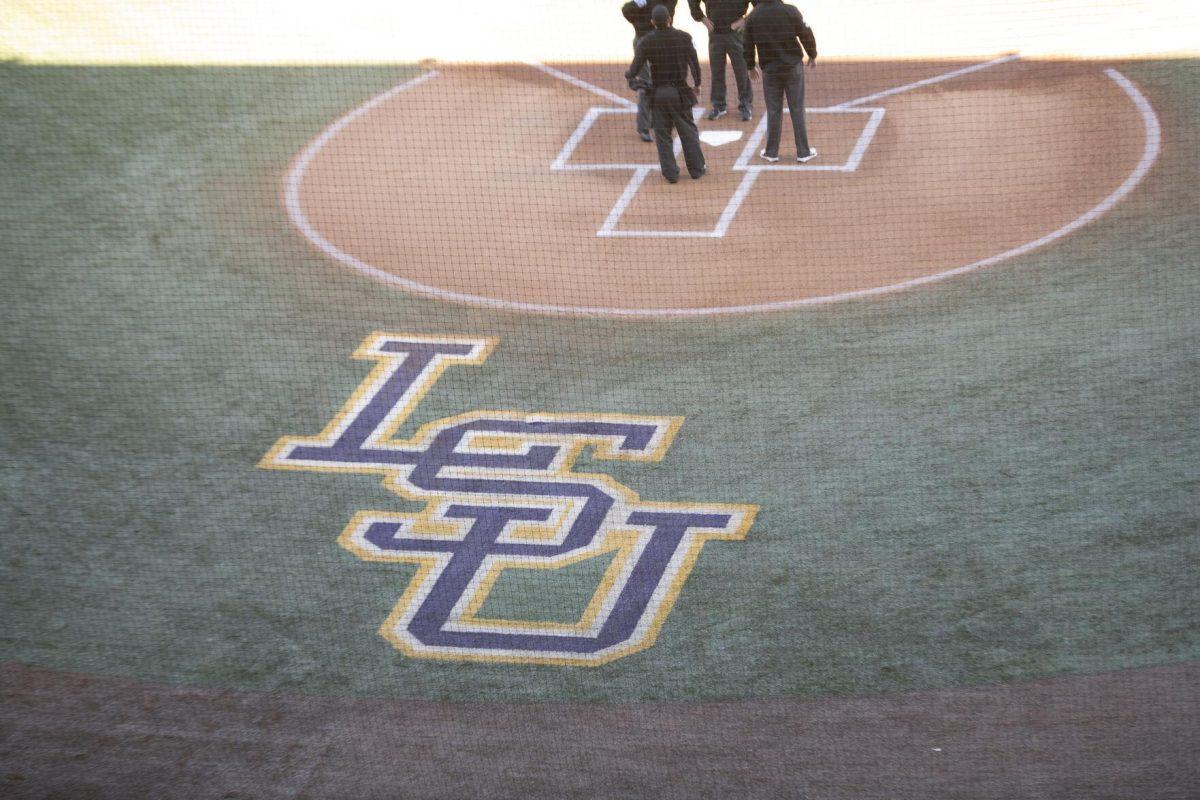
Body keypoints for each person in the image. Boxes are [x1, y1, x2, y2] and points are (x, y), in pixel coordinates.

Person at [626, 4, 705, 183]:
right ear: (669, 19)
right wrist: (697, 84)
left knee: (662, 136)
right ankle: (696, 170)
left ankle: (670, 174)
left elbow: (633, 70)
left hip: (658, 95)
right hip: (680, 93)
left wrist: (632, 79)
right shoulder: (684, 38)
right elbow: (695, 64)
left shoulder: (646, 41)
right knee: (688, 132)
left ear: (653, 22)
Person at [744, 0, 818, 162]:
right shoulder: (790, 11)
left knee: (773, 110)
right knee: (797, 109)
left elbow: (747, 44)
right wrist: (812, 54)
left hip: (770, 71)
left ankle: (771, 152)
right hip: (792, 68)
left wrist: (750, 66)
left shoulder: (753, 16)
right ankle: (803, 152)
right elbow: (805, 33)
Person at [687, 0, 757, 121]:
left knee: (741, 70)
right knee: (717, 70)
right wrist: (702, 18)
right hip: (715, 33)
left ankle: (745, 105)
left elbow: (761, 4)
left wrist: (745, 20)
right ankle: (718, 105)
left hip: (736, 33)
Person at [622, 0, 680, 141]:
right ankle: (644, 127)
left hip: (661, 42)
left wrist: (644, 6)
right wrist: (638, 4)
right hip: (643, 43)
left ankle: (658, 121)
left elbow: (663, 16)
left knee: (663, 83)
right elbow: (627, 11)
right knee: (646, 84)